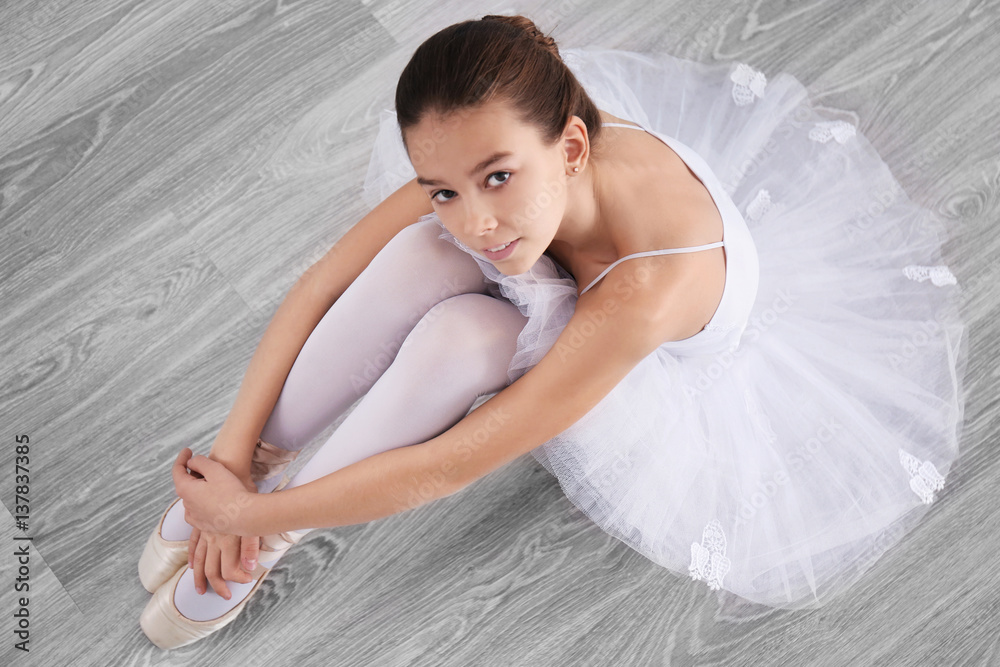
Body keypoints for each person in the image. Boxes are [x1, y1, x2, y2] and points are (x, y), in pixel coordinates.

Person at [138, 14, 968, 649]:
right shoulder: (493, 188)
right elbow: (325, 281)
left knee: (464, 337)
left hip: (650, 349)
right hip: (572, 241)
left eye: (497, 178)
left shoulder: (647, 290)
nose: (477, 220)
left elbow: (449, 464)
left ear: (571, 147)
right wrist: (230, 456)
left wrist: (246, 518)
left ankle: (271, 535)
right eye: (444, 188)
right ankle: (263, 469)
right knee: (419, 258)